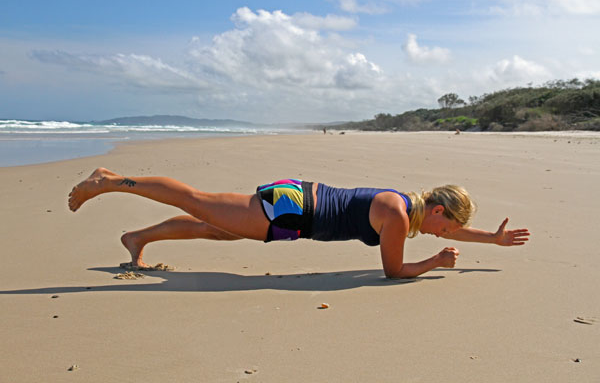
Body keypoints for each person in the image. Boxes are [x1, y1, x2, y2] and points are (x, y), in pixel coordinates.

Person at [68, 168, 530, 278]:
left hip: (294, 205)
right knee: (198, 202)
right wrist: (434, 261)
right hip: (293, 212)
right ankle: (110, 181)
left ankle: (138, 238)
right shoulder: (395, 217)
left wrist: (492, 239)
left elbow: (448, 232)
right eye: (445, 229)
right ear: (438, 212)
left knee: (213, 225)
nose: (444, 235)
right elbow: (393, 272)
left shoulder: (405, 207)